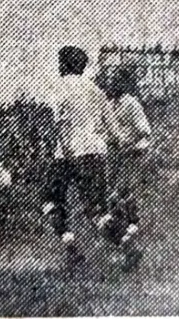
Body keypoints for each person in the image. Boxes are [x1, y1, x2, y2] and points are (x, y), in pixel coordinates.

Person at [42, 46, 142, 271]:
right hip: (95, 153)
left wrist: (66, 154)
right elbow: (115, 133)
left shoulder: (59, 88)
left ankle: (72, 251)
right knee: (95, 210)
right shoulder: (97, 91)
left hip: (68, 153)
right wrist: (127, 148)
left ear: (64, 64)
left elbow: (61, 124)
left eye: (60, 61)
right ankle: (126, 245)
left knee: (51, 202)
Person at [105, 67, 151, 245]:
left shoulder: (131, 103)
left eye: (115, 80)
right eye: (110, 80)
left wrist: (136, 147)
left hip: (130, 152)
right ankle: (118, 227)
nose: (111, 84)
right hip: (113, 152)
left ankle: (132, 223)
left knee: (123, 189)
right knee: (111, 187)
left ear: (124, 83)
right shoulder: (109, 104)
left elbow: (145, 131)